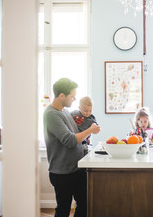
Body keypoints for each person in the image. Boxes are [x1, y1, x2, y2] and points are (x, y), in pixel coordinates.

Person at [43, 78, 101, 217]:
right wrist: (91, 130)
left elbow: (77, 135)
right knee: (63, 209)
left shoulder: (66, 112)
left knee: (84, 204)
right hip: (62, 173)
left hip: (76, 169)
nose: (75, 99)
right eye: (72, 96)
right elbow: (69, 140)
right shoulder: (51, 114)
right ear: (62, 95)